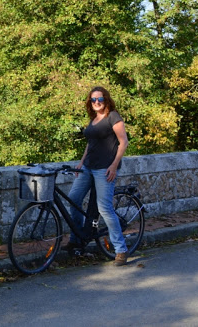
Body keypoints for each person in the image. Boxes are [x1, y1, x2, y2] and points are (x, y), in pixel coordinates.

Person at [66, 86, 130, 266]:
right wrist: (81, 161)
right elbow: (90, 143)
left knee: (104, 208)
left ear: (106, 100)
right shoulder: (93, 119)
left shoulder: (113, 117)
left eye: (99, 99)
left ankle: (120, 249)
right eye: (93, 100)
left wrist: (114, 165)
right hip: (88, 167)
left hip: (105, 168)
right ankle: (77, 238)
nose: (96, 102)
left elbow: (123, 142)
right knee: (73, 199)